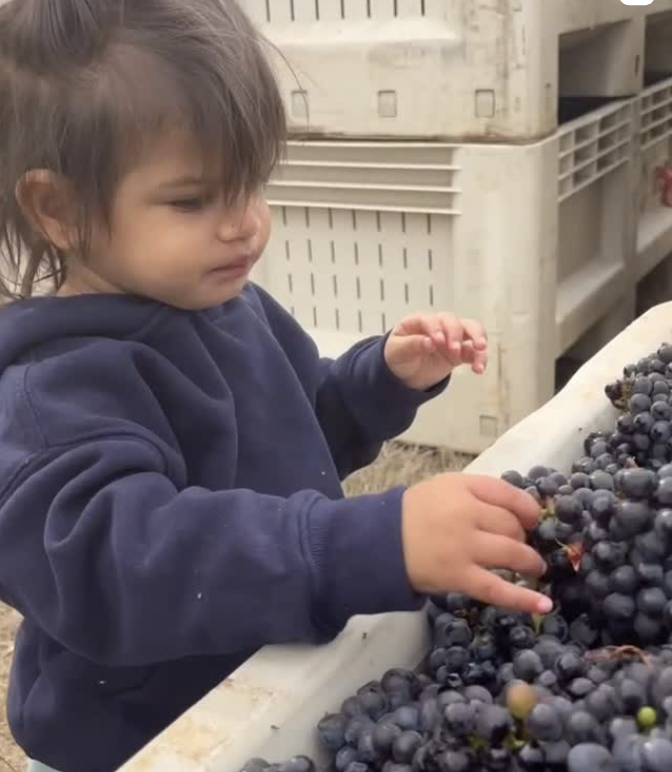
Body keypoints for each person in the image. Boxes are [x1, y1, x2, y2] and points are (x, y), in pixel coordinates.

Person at [0, 1, 551, 770]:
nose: (245, 224)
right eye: (193, 200)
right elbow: (123, 563)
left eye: (252, 183)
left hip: (272, 689)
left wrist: (377, 380)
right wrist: (358, 544)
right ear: (57, 208)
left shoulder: (229, 305)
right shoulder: (55, 392)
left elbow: (301, 426)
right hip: (142, 743)